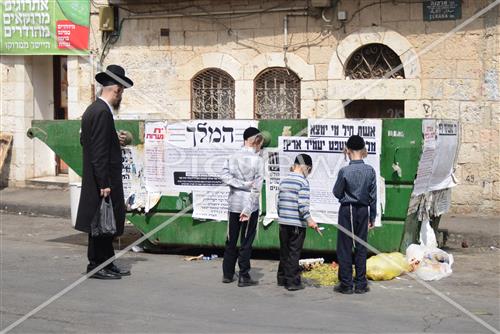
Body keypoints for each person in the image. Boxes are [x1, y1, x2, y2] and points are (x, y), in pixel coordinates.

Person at [75, 65, 133, 280]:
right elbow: (98, 152)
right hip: (102, 179)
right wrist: (104, 183)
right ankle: (97, 266)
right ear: (116, 89)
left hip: (100, 178)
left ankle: (106, 263)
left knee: (104, 223)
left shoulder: (95, 109)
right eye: (122, 91)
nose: (121, 97)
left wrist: (112, 139)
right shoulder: (101, 112)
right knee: (100, 224)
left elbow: (86, 140)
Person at [220, 127, 264, 287]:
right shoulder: (258, 160)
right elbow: (257, 188)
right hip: (249, 207)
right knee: (246, 241)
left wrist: (239, 184)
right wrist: (246, 186)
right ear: (257, 141)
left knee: (231, 239)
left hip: (234, 204)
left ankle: (227, 273)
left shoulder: (232, 156)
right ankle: (243, 275)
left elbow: (224, 176)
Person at [332, 135, 377, 294]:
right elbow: (373, 196)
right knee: (361, 246)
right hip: (363, 210)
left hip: (347, 209)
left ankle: (346, 283)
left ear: (347, 150)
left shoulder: (344, 171)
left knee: (345, 247)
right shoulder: (370, 170)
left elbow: (337, 192)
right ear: (363, 150)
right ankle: (361, 283)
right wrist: (372, 217)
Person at [276, 154, 320, 291]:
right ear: (307, 167)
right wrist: (310, 220)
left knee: (285, 251)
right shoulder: (303, 182)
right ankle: (292, 282)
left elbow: (278, 202)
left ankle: (282, 278)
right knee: (294, 252)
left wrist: (282, 216)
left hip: (283, 223)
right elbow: (302, 205)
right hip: (296, 224)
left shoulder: (284, 181)